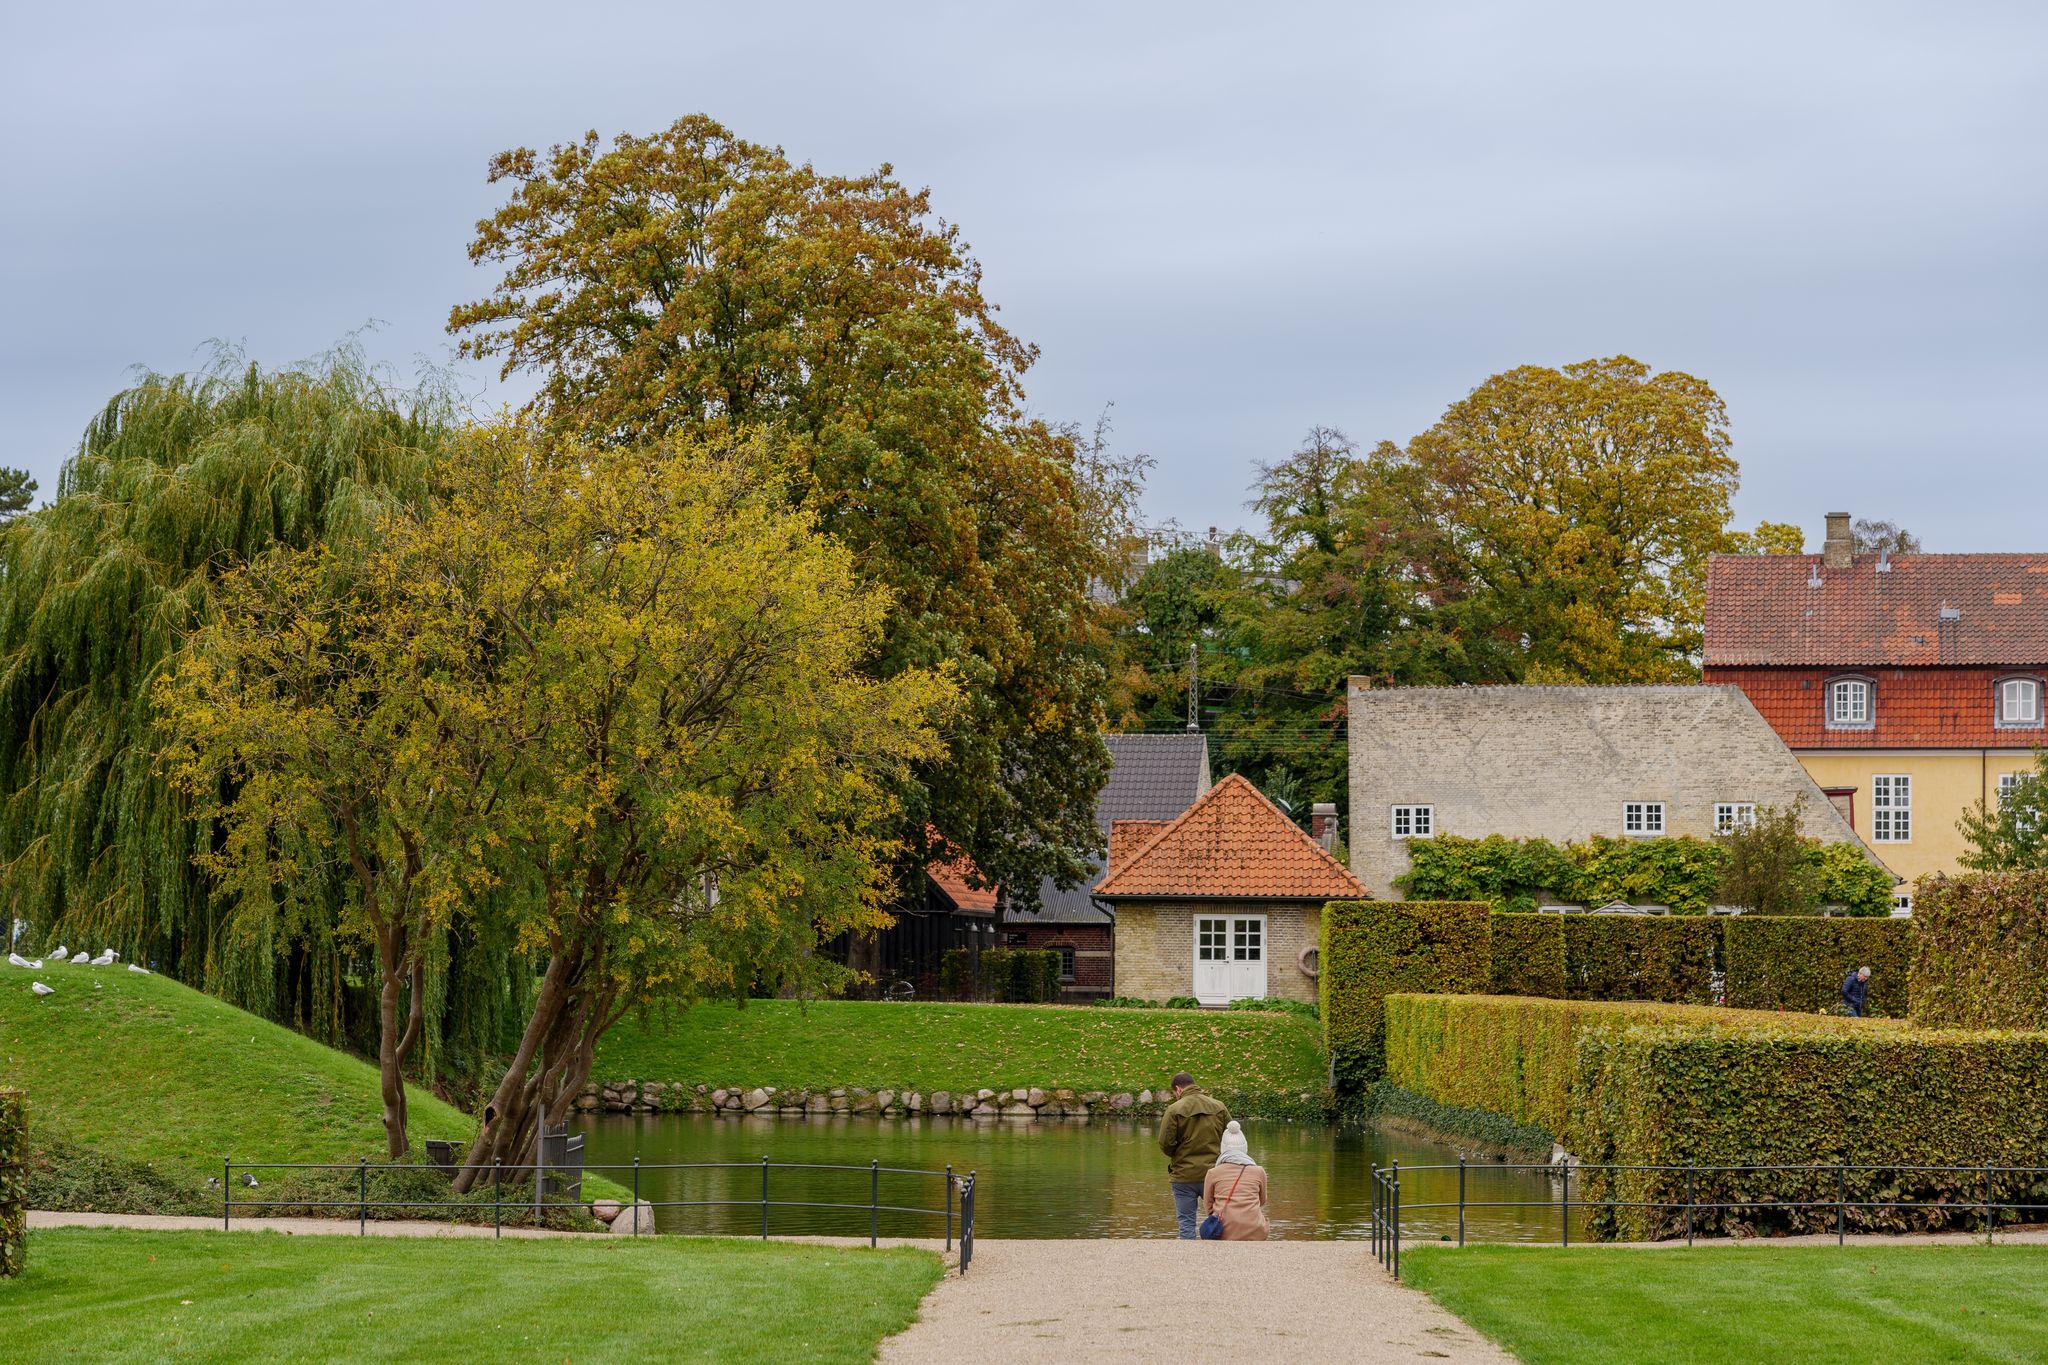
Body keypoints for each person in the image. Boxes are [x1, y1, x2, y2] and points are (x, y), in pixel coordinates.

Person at [1158, 1071, 1230, 1238]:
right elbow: (1230, 1137)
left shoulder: (1174, 1109)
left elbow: (1165, 1143)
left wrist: (1177, 1155)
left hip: (1184, 1176)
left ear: (1178, 1089)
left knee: (1186, 1224)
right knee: (1219, 1221)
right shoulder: (1219, 1106)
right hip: (1213, 1174)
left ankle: (1186, 1260)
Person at [1203, 1120, 1270, 1241]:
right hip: (1256, 1230)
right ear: (1245, 1148)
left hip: (1223, 1231)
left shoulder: (1213, 1173)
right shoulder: (1259, 1171)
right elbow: (1262, 1201)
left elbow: (1208, 1206)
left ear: (1223, 1148)